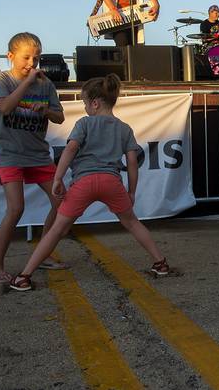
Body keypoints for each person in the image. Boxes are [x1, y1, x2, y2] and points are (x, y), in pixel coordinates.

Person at [9, 74, 170, 291]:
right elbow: (132, 161)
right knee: (132, 223)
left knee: (57, 229)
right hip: (111, 182)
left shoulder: (84, 123)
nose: (85, 108)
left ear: (95, 103)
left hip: (83, 183)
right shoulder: (124, 129)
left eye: (85, 103)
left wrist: (58, 177)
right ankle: (160, 263)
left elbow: (71, 149)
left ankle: (24, 276)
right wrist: (131, 191)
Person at [0, 33, 67, 284]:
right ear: (10, 56)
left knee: (62, 201)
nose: (32, 63)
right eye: (26, 57)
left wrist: (48, 110)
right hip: (10, 154)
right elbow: (6, 107)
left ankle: (45, 252)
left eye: (36, 58)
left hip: (38, 154)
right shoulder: (2, 78)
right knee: (16, 208)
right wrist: (27, 81)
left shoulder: (46, 84)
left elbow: (60, 117)